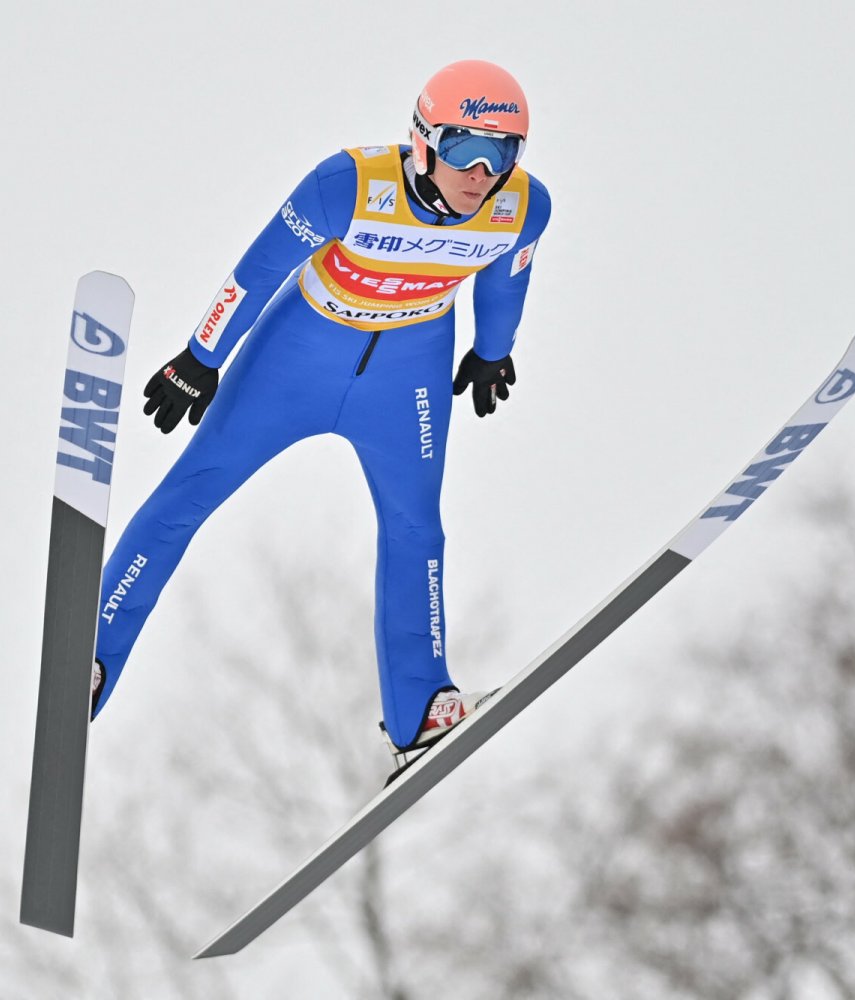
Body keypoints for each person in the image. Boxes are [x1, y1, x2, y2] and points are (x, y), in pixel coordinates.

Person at [89, 59, 551, 777]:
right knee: (190, 494)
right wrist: (199, 357)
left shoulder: (523, 205)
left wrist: (494, 353)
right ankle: (89, 658)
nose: (483, 171)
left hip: (407, 376)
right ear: (424, 140)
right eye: (466, 147)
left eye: (505, 151)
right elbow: (257, 271)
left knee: (416, 528)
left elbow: (505, 280)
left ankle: (421, 708)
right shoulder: (348, 185)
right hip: (298, 359)